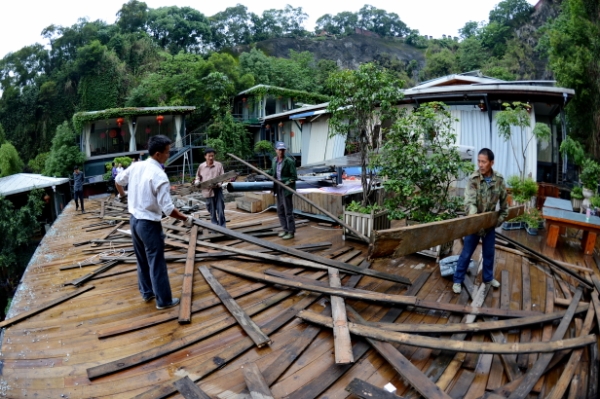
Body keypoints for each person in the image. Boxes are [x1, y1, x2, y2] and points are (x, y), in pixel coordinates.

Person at [115, 135, 192, 310]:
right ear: (158, 154)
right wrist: (186, 219)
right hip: (149, 224)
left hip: (134, 221)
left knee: (142, 260)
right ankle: (163, 301)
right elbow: (168, 210)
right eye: (167, 151)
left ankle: (147, 292)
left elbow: (118, 181)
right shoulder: (160, 176)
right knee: (156, 262)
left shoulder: (136, 166)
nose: (169, 154)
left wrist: (122, 196)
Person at [452, 148, 508, 294]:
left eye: (484, 162)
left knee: (489, 253)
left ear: (492, 163)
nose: (481, 165)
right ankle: (457, 280)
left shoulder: (499, 180)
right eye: (479, 161)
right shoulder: (473, 179)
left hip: (489, 226)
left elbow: (504, 207)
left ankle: (488, 278)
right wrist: (474, 217)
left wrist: (497, 221)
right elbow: (469, 202)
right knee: (466, 253)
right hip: (474, 225)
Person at [270, 141, 297, 240]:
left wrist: (287, 182)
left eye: (283, 150)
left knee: (288, 211)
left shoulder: (289, 161)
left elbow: (294, 177)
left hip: (286, 188)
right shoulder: (274, 160)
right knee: (280, 210)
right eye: (279, 150)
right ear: (275, 150)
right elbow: (272, 172)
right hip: (277, 187)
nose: (281, 152)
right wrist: (263, 172)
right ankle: (285, 229)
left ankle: (291, 232)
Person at [194, 148, 226, 227]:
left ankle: (222, 226)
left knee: (220, 208)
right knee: (211, 209)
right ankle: (214, 225)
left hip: (218, 189)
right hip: (207, 190)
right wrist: (197, 182)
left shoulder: (219, 165)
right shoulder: (201, 166)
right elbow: (198, 177)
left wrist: (219, 184)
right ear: (205, 156)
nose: (211, 158)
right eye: (209, 156)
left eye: (212, 156)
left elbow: (223, 177)